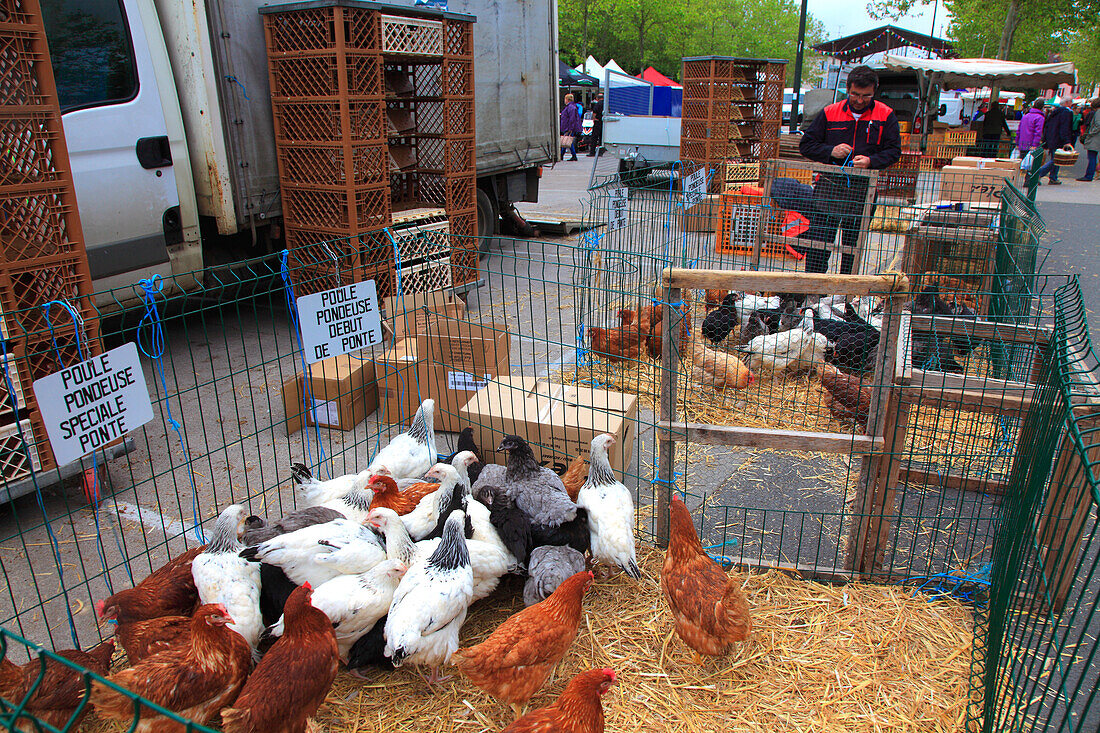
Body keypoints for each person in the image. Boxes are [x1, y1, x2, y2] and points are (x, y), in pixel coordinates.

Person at [779, 65, 901, 274]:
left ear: (875, 91)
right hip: (829, 187)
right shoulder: (829, 112)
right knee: (819, 244)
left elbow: (894, 151)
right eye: (855, 94)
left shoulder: (885, 115)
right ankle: (814, 291)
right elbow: (806, 145)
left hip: (863, 189)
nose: (860, 100)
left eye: (866, 96)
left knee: (852, 246)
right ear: (847, 88)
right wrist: (830, 151)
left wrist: (871, 161)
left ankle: (845, 294)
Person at [1035, 97, 1074, 185]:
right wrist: (1066, 140)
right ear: (1067, 102)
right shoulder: (1066, 113)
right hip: (1059, 139)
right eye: (1071, 102)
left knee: (1056, 158)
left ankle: (1053, 177)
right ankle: (1039, 174)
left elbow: (1047, 126)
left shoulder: (1055, 112)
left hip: (1052, 138)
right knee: (1057, 159)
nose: (1072, 103)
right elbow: (1065, 127)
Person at [1077, 98, 1100, 181]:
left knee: (1092, 157)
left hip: (1095, 139)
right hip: (1097, 139)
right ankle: (1090, 175)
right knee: (1093, 157)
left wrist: (1090, 133)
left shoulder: (1098, 113)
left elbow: (1098, 125)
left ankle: (1089, 175)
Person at [559, 93, 581, 161]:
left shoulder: (570, 107)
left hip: (568, 127)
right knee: (566, 140)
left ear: (567, 99)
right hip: (568, 126)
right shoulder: (571, 107)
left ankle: (572, 155)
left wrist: (570, 128)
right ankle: (562, 155)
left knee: (567, 141)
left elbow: (572, 119)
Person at [587, 92, 604, 157]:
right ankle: (600, 152)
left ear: (597, 98)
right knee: (601, 138)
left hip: (597, 122)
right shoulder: (606, 104)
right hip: (603, 122)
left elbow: (594, 113)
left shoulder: (597, 104)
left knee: (594, 138)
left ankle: (592, 152)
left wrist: (594, 119)